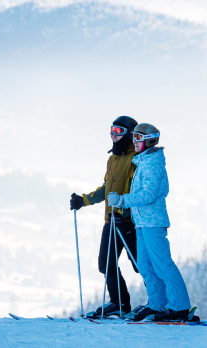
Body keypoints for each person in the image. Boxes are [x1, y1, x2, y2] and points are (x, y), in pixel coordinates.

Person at [107, 123, 191, 322]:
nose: (134, 141)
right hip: (141, 222)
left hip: (153, 221)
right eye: (133, 137)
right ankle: (157, 304)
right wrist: (122, 207)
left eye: (138, 138)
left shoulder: (153, 162)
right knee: (145, 265)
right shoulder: (143, 161)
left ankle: (179, 307)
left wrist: (123, 200)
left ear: (149, 140)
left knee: (162, 264)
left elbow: (149, 194)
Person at [69, 115, 139, 318]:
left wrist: (125, 212)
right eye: (111, 130)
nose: (113, 135)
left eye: (118, 131)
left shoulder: (136, 159)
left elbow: (138, 192)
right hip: (111, 221)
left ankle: (158, 303)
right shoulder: (112, 159)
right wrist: (83, 200)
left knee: (140, 265)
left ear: (130, 134)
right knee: (105, 264)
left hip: (129, 222)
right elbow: (106, 189)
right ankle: (119, 303)